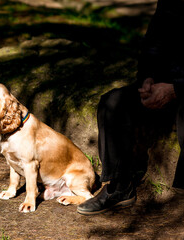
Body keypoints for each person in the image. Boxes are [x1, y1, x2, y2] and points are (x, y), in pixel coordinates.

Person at [77, 0, 184, 215]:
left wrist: (175, 89)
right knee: (112, 103)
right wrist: (147, 80)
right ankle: (119, 187)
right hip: (164, 82)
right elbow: (153, 44)